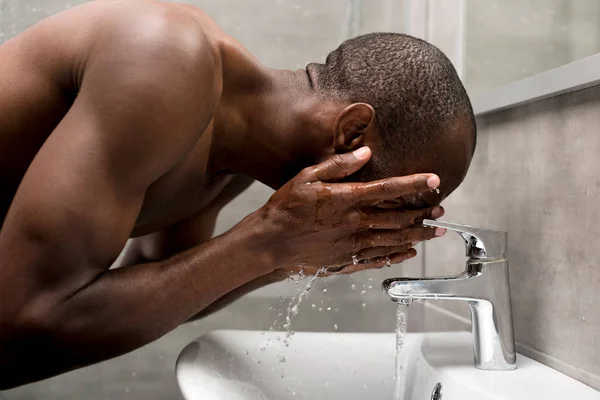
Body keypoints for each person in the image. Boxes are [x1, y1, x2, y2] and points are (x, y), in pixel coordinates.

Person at [0, 0, 476, 389]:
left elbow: (158, 288)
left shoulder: (235, 164)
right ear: (353, 132)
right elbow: (24, 320)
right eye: (401, 199)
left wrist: (288, 259)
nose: (378, 219)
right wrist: (266, 241)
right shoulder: (166, 56)